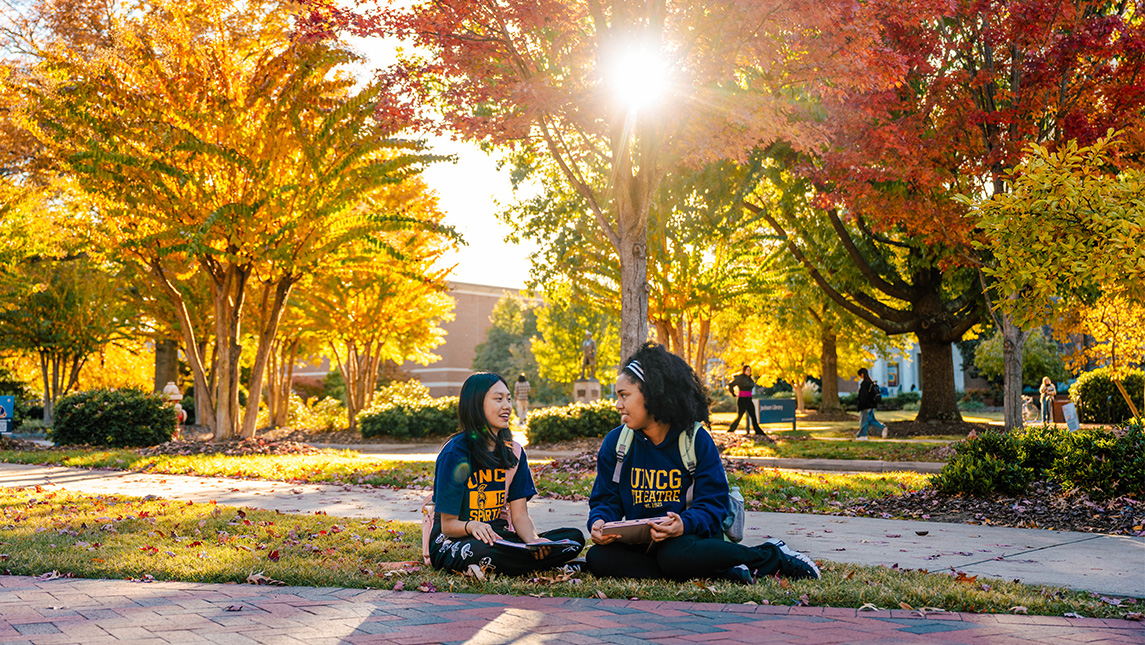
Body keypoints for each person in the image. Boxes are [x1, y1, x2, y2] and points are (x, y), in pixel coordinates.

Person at [586, 342, 820, 584]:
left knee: (673, 554)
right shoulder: (617, 442)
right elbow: (606, 499)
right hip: (643, 545)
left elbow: (714, 504)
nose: (618, 404)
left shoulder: (694, 439)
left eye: (624, 395)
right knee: (598, 558)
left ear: (653, 393)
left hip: (690, 539)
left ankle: (773, 555)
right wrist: (600, 522)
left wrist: (683, 525)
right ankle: (719, 569)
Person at [427, 372, 585, 576]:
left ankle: (525, 560)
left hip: (501, 538)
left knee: (573, 538)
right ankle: (543, 564)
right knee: (484, 551)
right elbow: (448, 526)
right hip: (456, 541)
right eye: (498, 399)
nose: (507, 406)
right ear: (476, 404)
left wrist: (533, 541)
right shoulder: (455, 453)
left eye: (509, 399)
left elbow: (519, 515)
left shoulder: (514, 452)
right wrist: (472, 525)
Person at [726, 365, 764, 436]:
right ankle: (731, 430)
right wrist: (734, 394)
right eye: (747, 370)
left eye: (749, 370)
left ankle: (758, 431)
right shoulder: (740, 378)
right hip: (742, 400)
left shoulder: (750, 379)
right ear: (744, 370)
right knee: (740, 416)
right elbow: (731, 385)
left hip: (749, 399)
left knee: (753, 415)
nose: (748, 372)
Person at [855, 368, 885, 441]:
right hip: (871, 405)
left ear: (862, 374)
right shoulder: (871, 383)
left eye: (860, 376)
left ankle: (862, 435)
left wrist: (860, 405)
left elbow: (863, 397)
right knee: (871, 420)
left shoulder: (864, 384)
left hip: (866, 406)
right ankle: (882, 428)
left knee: (864, 421)